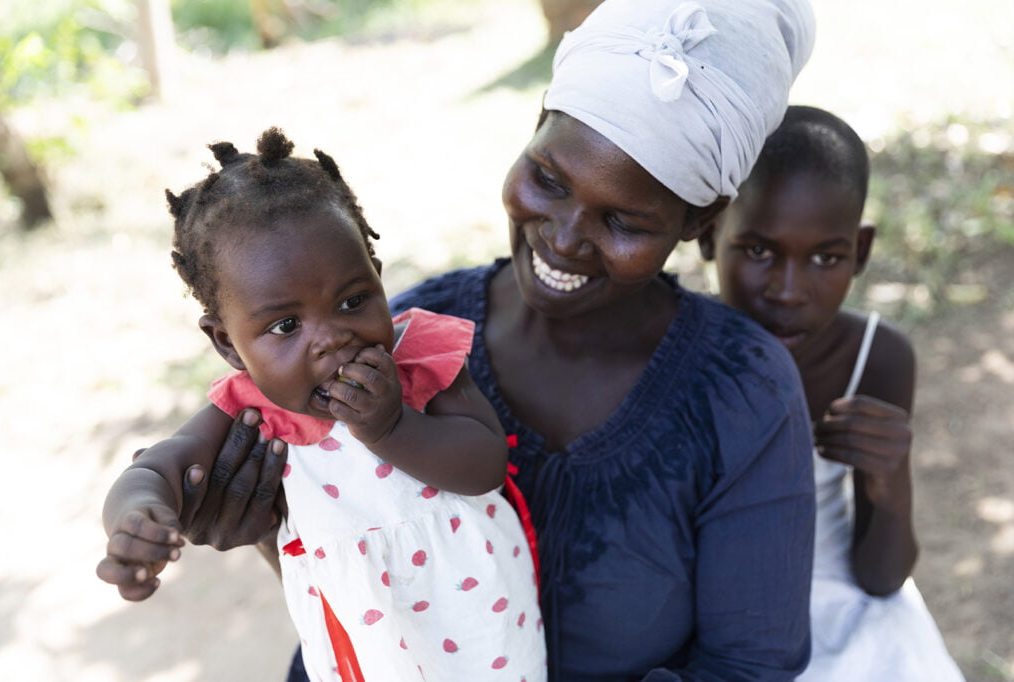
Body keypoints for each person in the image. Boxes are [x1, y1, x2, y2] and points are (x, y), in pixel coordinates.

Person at [109, 1, 820, 679]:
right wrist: (258, 528)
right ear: (535, 124)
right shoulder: (393, 336)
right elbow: (347, 575)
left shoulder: (742, 390)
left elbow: (749, 665)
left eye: (625, 222)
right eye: (547, 177)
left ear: (701, 219)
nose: (565, 238)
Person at [97, 127, 547, 682]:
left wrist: (392, 428)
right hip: (366, 639)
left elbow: (485, 468)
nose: (332, 337)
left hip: (484, 616)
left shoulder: (418, 354)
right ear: (226, 343)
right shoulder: (251, 409)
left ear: (379, 279)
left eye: (354, 300)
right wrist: (137, 518)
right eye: (286, 325)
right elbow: (155, 468)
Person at [698, 105, 965, 681]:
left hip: (841, 610)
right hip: (706, 617)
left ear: (861, 253)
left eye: (826, 257)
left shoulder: (876, 358)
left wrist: (890, 482)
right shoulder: (673, 351)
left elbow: (882, 579)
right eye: (759, 250)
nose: (789, 291)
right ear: (708, 233)